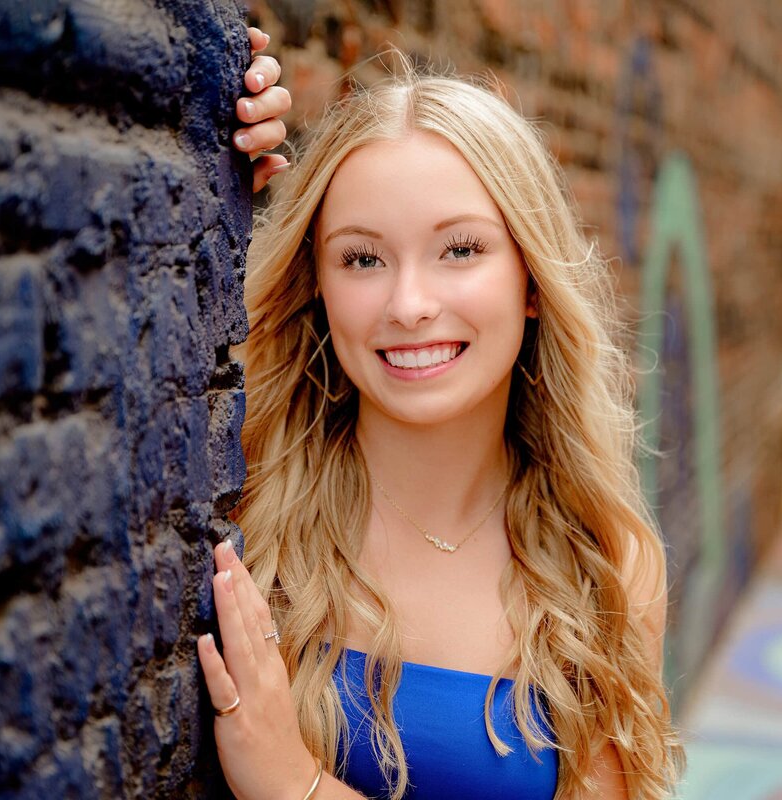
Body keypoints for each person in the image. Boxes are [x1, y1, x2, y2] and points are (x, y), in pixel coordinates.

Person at [210, 40, 683, 800]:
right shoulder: (240, 504)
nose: (409, 305)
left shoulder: (607, 566)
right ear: (317, 285)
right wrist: (208, 150)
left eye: (460, 249)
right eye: (362, 259)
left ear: (531, 279)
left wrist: (291, 783)